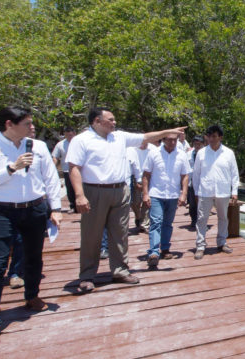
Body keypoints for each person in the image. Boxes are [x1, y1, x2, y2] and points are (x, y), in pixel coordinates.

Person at [0, 106, 62, 348]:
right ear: (10, 124)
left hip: (34, 208)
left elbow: (50, 177)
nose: (33, 128)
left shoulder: (38, 146)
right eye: (28, 124)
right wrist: (10, 168)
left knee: (34, 258)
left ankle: (31, 296)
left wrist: (56, 208)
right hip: (0, 210)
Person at [65, 107, 184, 293]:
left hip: (120, 190)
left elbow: (145, 137)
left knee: (120, 233)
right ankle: (87, 276)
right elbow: (74, 168)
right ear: (97, 121)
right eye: (110, 119)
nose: (114, 123)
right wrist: (79, 195)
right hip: (94, 190)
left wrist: (167, 132)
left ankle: (120, 270)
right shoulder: (81, 140)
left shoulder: (119, 137)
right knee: (92, 235)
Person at [142, 133, 190, 267]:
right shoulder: (154, 153)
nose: (172, 143)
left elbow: (185, 175)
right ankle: (153, 252)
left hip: (173, 195)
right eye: (169, 140)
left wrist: (184, 194)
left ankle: (165, 248)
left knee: (168, 223)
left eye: (174, 140)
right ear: (163, 140)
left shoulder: (181, 155)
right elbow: (146, 174)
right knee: (156, 221)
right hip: (156, 193)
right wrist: (145, 194)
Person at [192, 125, 239, 260]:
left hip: (223, 191)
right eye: (209, 136)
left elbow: (234, 173)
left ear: (220, 137)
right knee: (201, 219)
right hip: (205, 191)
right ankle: (200, 246)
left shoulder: (229, 153)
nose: (211, 139)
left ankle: (222, 242)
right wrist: (196, 192)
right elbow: (196, 174)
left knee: (223, 218)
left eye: (214, 136)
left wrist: (234, 191)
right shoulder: (201, 153)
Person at [52, 127, 77, 213]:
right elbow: (55, 157)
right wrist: (52, 168)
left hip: (80, 170)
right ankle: (73, 206)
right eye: (67, 135)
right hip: (67, 170)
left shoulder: (80, 143)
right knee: (70, 189)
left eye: (70, 134)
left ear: (74, 133)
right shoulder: (60, 144)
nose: (69, 136)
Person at [187, 135, 205, 227]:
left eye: (199, 144)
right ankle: (194, 220)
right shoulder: (189, 154)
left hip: (204, 182)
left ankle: (202, 222)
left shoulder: (206, 154)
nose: (197, 146)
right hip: (192, 182)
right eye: (195, 144)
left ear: (203, 144)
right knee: (192, 203)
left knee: (203, 204)